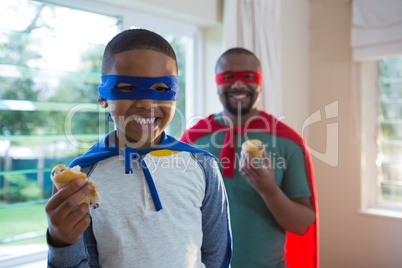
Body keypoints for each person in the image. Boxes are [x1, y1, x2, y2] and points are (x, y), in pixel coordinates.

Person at [45, 29, 232, 268]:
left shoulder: (204, 167)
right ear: (103, 97)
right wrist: (61, 241)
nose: (146, 103)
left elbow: (217, 258)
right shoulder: (82, 180)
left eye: (162, 89)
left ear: (175, 97)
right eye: (127, 87)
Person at [181, 48, 318, 268]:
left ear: (260, 83)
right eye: (228, 77)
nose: (238, 85)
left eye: (248, 76)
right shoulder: (192, 141)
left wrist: (268, 189)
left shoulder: (287, 142)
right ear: (217, 84)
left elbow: (301, 225)